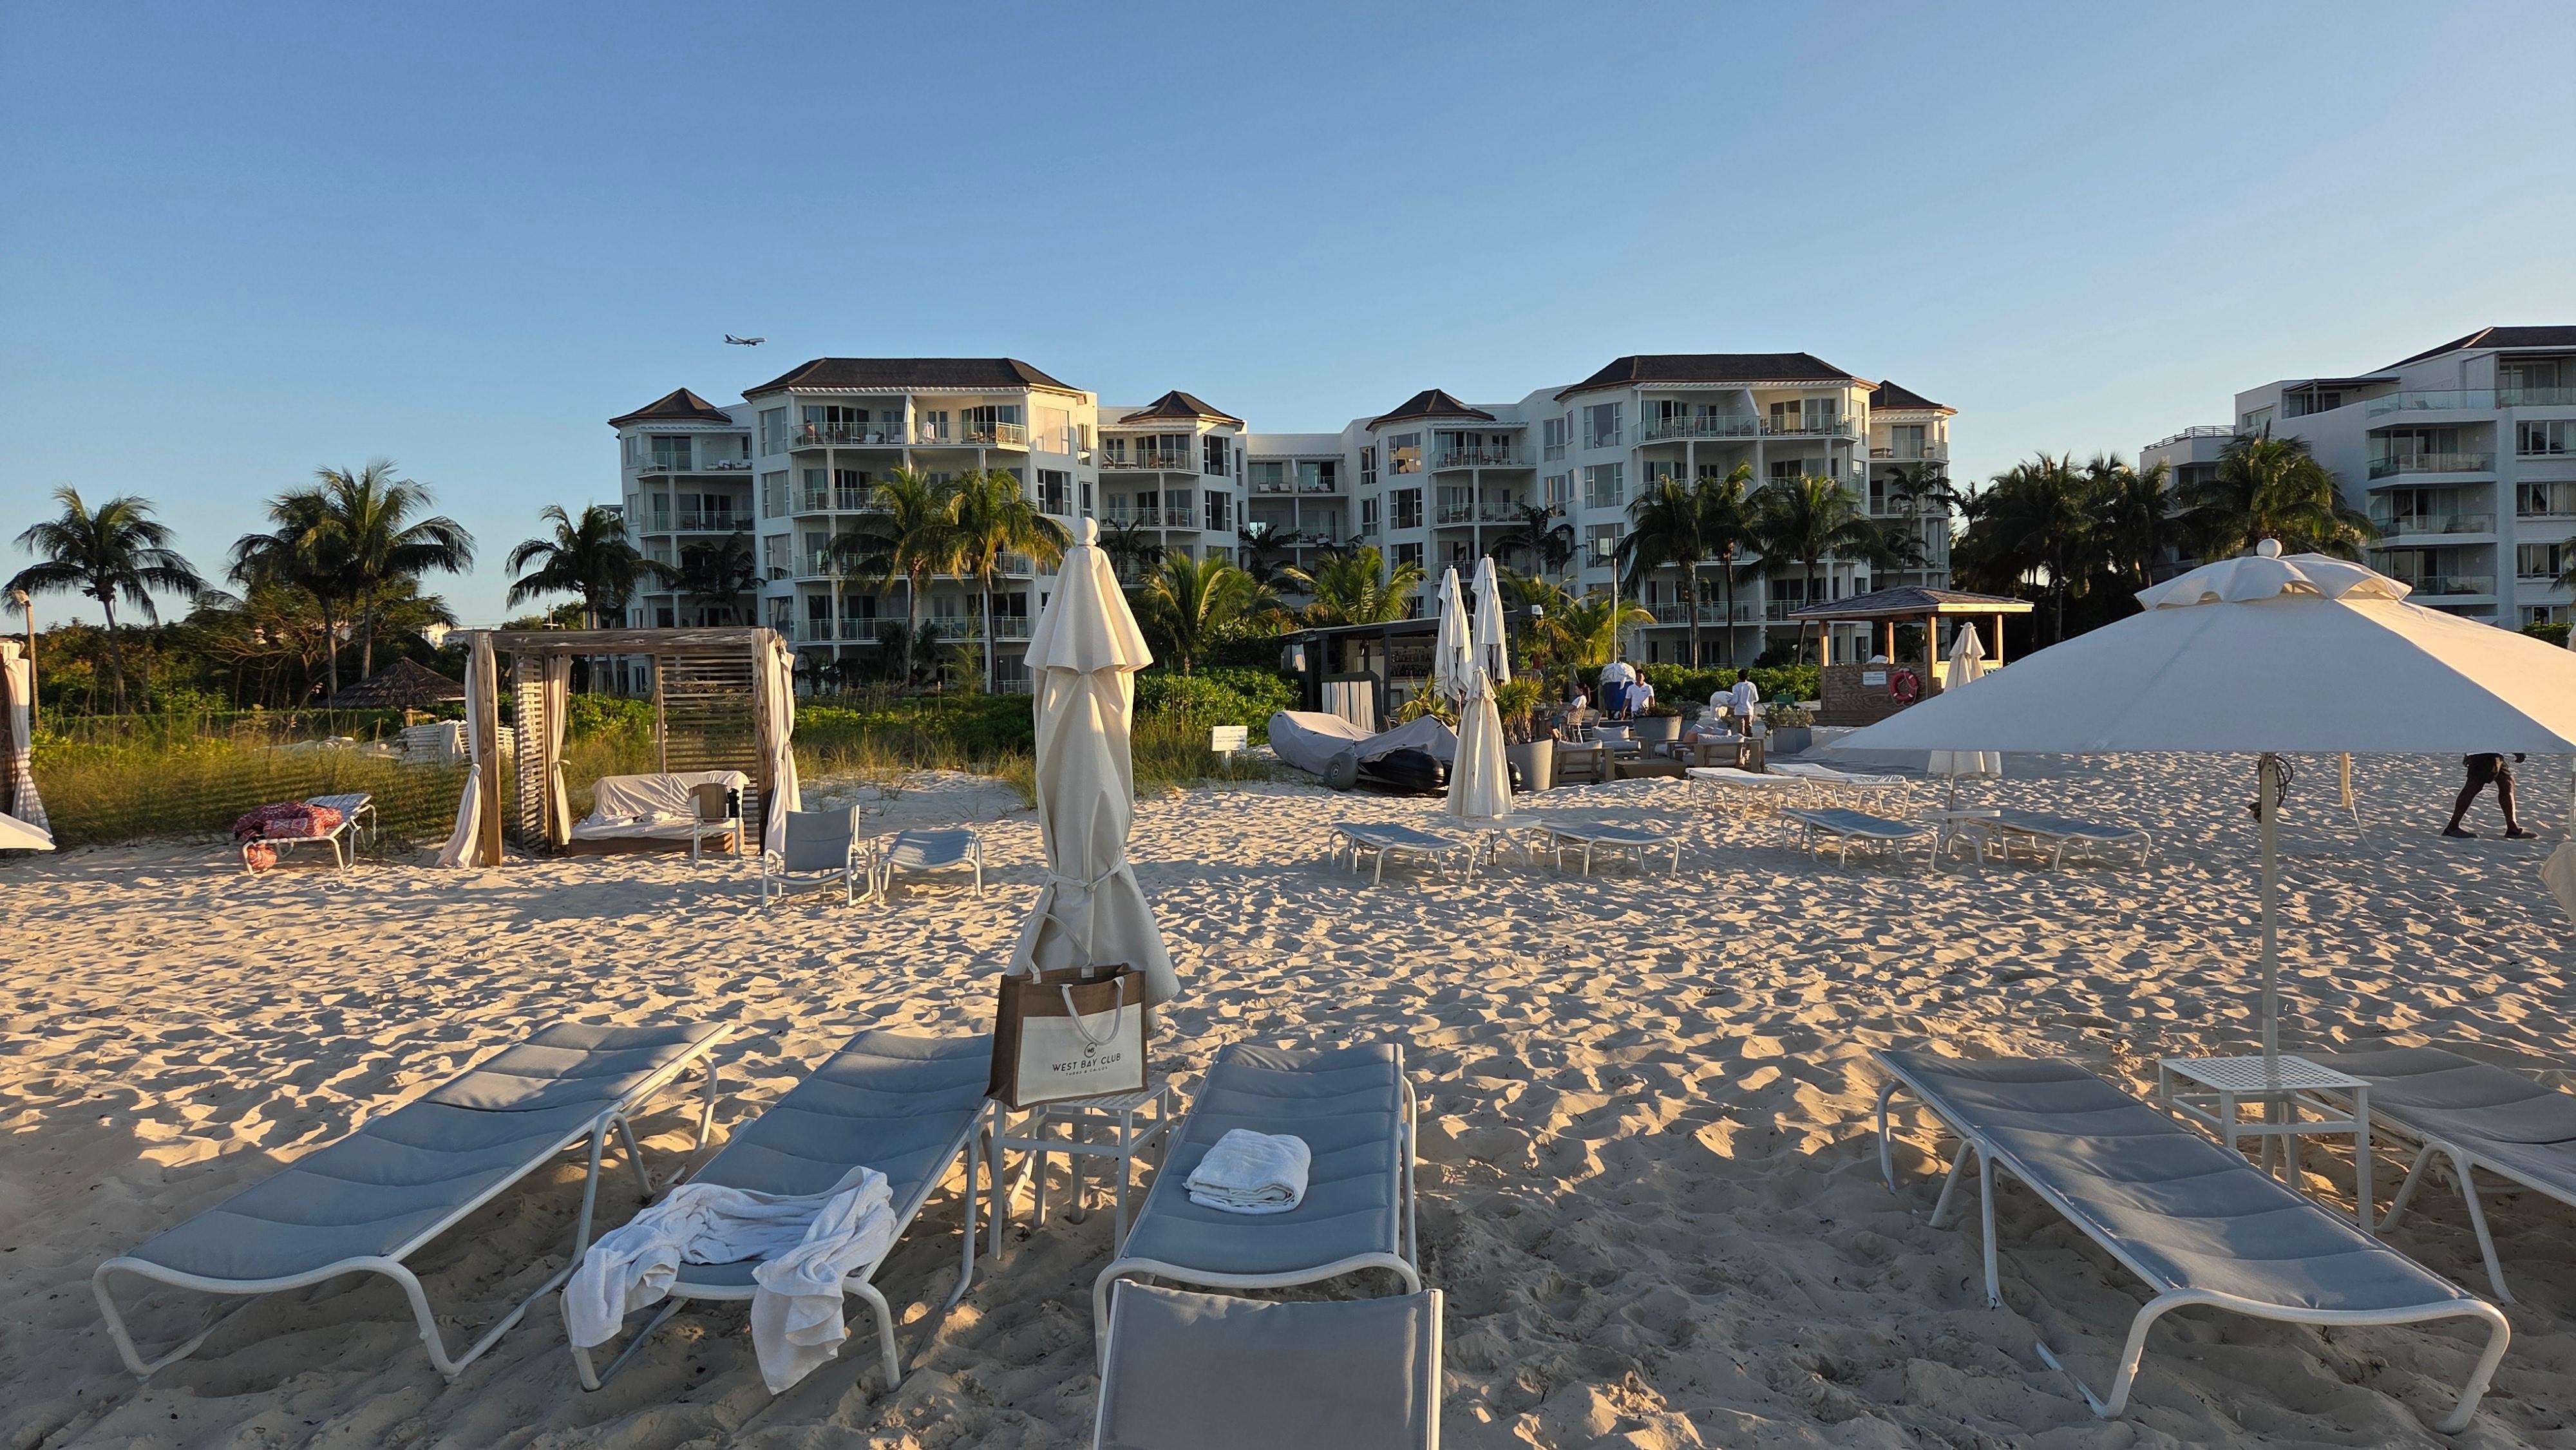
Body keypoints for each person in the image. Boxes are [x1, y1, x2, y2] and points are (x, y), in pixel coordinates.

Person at [2445, 753, 2533, 838]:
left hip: (2493, 752)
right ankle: (2452, 827)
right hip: (2485, 752)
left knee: (2507, 784)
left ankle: (2513, 828)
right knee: (2473, 787)